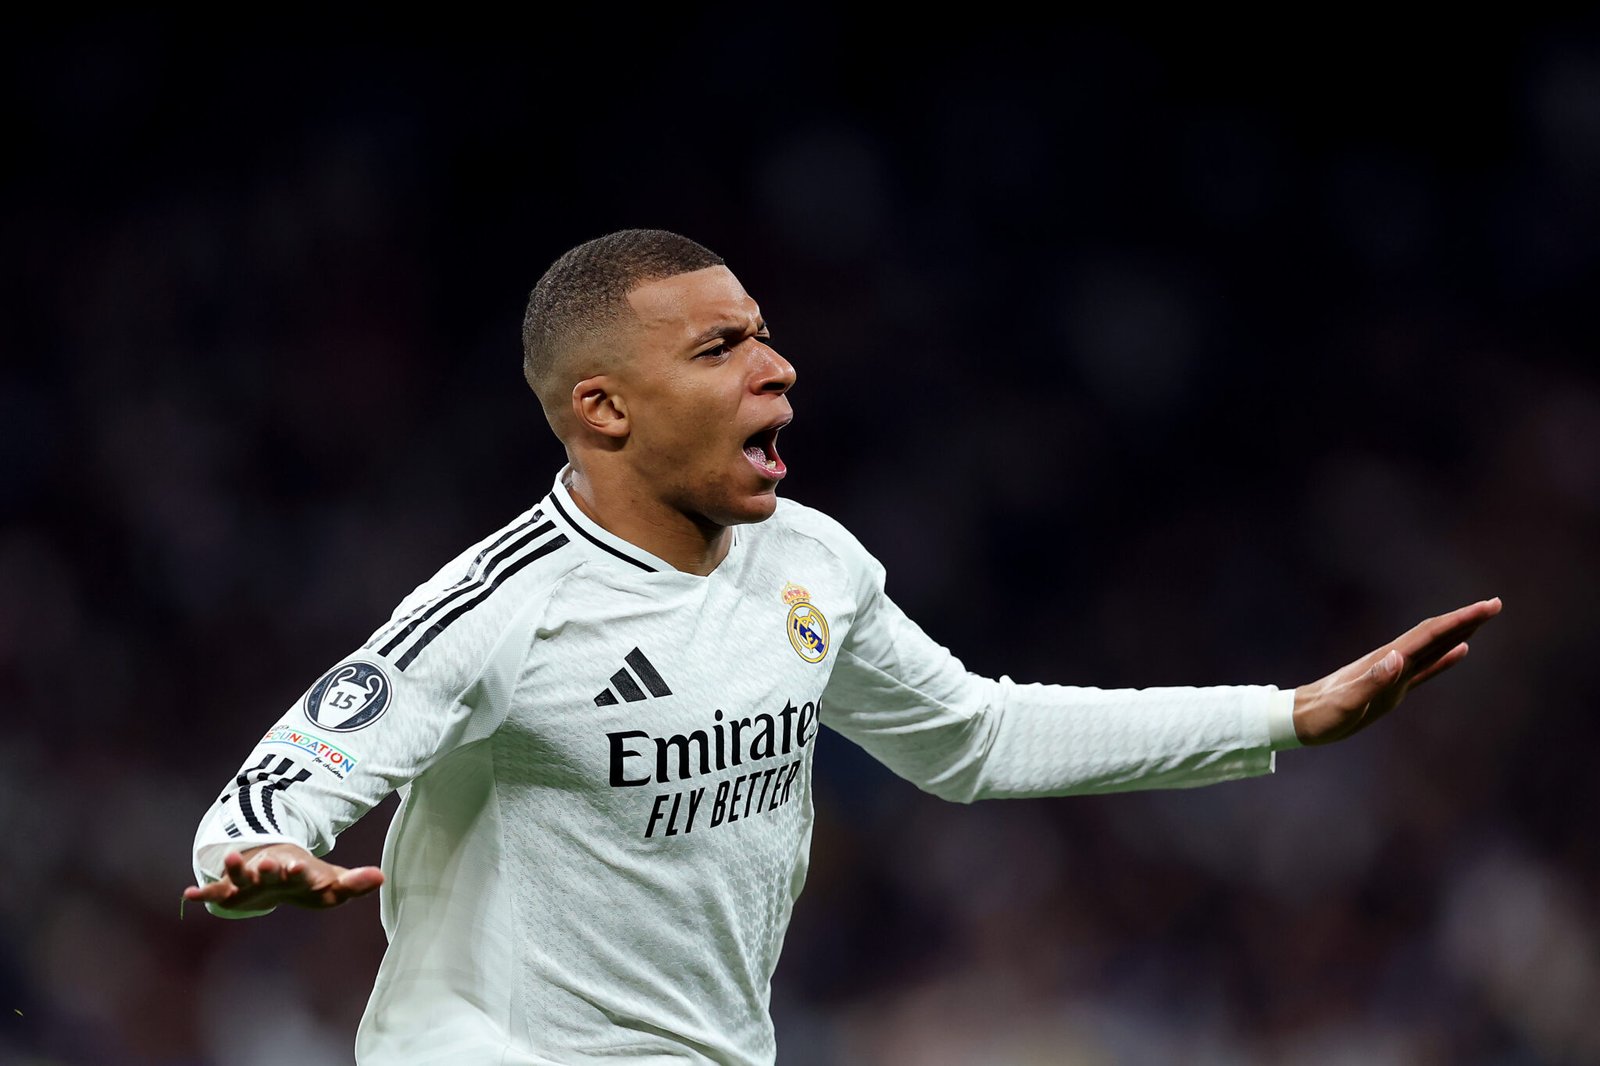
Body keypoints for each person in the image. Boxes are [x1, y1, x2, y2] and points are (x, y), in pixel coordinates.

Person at [185, 229, 1502, 1065]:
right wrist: (253, 864)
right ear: (606, 410)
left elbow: (975, 738)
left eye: (762, 331)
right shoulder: (498, 608)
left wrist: (1284, 716)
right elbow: (269, 793)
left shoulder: (809, 561)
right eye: (723, 347)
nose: (779, 367)